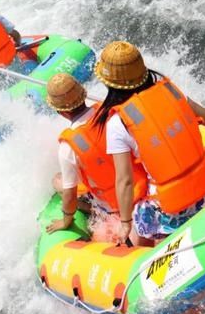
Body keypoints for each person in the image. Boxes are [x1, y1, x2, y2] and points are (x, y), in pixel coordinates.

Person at [93, 41, 205, 244]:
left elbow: (125, 181)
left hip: (171, 209)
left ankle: (150, 250)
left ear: (108, 83)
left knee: (137, 220)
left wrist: (126, 223)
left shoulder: (117, 123)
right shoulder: (171, 92)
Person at [44, 73, 149, 242]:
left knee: (58, 181)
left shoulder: (67, 147)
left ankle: (93, 211)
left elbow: (70, 196)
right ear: (84, 95)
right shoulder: (113, 113)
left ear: (60, 112)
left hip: (116, 204)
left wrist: (66, 221)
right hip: (143, 184)